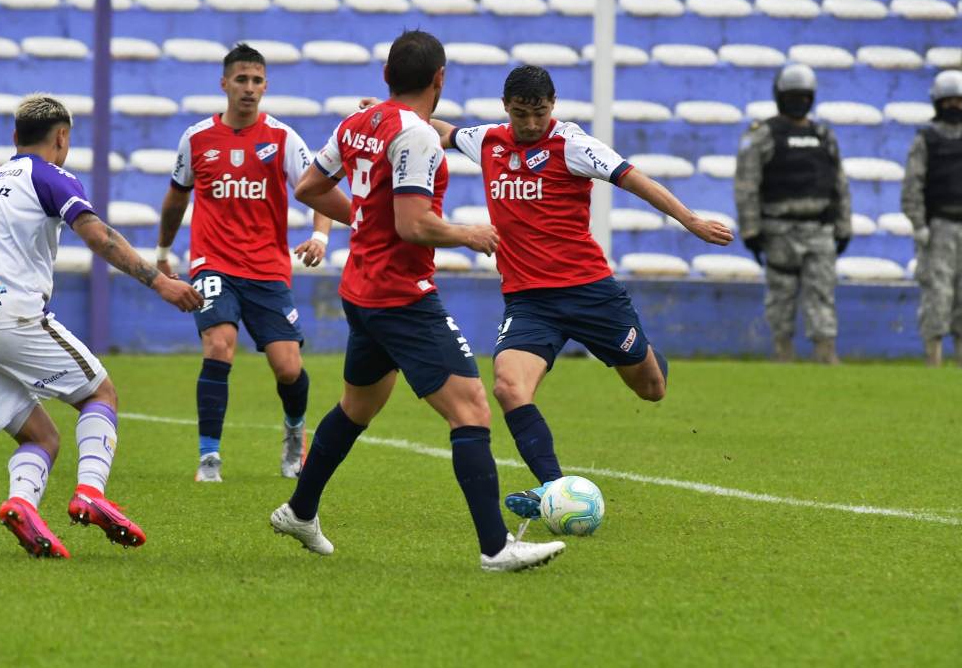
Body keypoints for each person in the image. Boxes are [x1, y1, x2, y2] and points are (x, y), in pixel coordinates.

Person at [270, 31, 565, 572]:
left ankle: (300, 509)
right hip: (399, 295)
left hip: (361, 287)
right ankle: (497, 547)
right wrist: (467, 234)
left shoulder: (360, 122)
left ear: (386, 76)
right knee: (472, 408)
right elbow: (412, 224)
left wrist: (362, 218)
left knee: (357, 407)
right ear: (440, 79)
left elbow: (310, 187)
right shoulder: (416, 136)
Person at [429, 64, 734, 519]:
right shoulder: (490, 140)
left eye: (540, 113)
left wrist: (690, 221)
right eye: (520, 115)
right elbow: (445, 132)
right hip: (529, 302)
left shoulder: (572, 144)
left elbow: (635, 179)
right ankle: (553, 489)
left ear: (553, 106)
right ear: (505, 109)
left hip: (591, 294)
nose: (530, 124)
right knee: (510, 388)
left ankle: (644, 350)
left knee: (652, 389)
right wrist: (395, 115)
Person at [0, 94, 203, 558]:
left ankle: (22, 504)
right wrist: (160, 282)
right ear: (62, 137)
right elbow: (98, 235)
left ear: (15, 137)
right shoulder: (50, 175)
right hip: (7, 315)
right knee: (100, 394)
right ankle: (91, 493)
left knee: (40, 436)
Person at [156, 43, 336, 482]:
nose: (249, 89)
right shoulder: (197, 138)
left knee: (288, 367)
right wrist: (163, 252)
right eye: (241, 80)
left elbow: (320, 188)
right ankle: (209, 458)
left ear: (265, 86)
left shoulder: (282, 138)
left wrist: (319, 235)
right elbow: (176, 197)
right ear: (224, 84)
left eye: (257, 81)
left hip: (268, 269)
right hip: (212, 263)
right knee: (219, 345)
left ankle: (295, 433)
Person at [735, 64, 852, 364]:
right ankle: (782, 355)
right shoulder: (763, 135)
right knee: (781, 296)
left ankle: (826, 356)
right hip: (778, 230)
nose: (799, 101)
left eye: (804, 95)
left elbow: (839, 183)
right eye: (792, 95)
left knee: (823, 294)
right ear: (779, 96)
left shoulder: (824, 135)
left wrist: (844, 226)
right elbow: (747, 184)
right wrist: (751, 230)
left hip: (820, 230)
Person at [903, 70, 962, 367]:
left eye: (959, 101)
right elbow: (913, 184)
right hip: (938, 228)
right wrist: (919, 224)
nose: (955, 106)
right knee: (937, 295)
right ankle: (934, 358)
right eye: (949, 101)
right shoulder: (927, 138)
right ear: (938, 103)